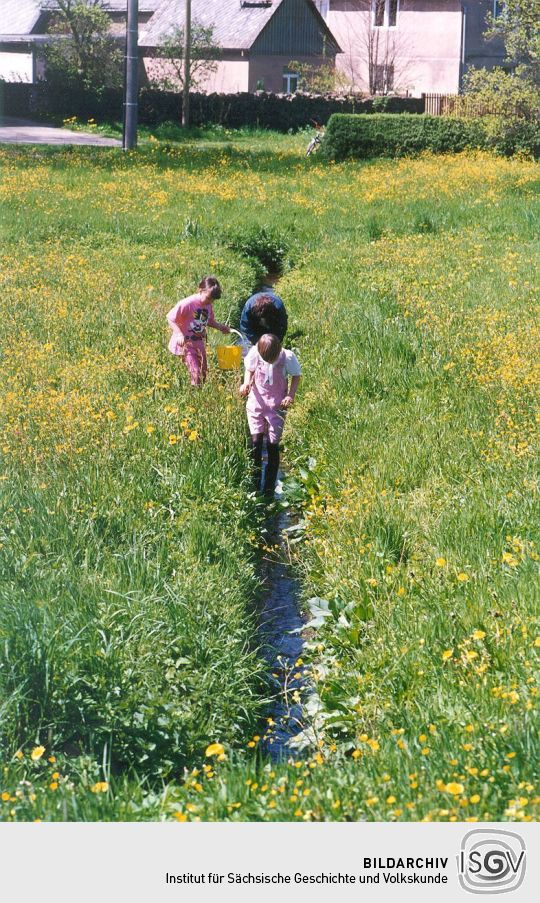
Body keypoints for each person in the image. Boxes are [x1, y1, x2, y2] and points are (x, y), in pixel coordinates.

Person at [239, 333, 301, 497]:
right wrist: (246, 383)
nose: (269, 362)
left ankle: (268, 489)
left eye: (271, 359)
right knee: (256, 442)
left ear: (279, 350)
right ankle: (254, 481)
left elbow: (296, 376)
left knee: (273, 444)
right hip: (256, 403)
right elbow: (250, 369)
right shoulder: (255, 353)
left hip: (277, 405)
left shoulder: (287, 357)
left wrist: (290, 395)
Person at [166, 276, 230, 386]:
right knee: (195, 373)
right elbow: (170, 318)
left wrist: (220, 327)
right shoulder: (187, 303)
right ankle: (193, 396)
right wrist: (179, 334)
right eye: (209, 298)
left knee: (203, 372)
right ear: (200, 290)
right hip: (186, 343)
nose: (210, 301)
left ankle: (199, 394)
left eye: (213, 300)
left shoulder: (208, 305)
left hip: (198, 342)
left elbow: (209, 321)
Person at [240, 281, 288, 346]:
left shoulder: (278, 307)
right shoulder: (248, 307)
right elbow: (245, 327)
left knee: (272, 341)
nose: (263, 321)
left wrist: (277, 341)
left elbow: (282, 325)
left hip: (273, 321)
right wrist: (256, 342)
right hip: (255, 323)